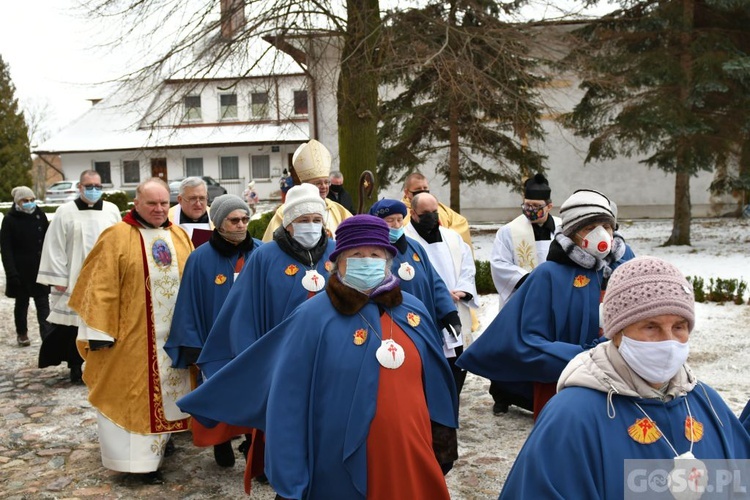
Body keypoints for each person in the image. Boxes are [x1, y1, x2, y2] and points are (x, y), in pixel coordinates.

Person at [178, 215, 459, 499]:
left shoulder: (414, 311)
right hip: (335, 462)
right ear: (337, 262)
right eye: (356, 254)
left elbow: (436, 382)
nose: (367, 260)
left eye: (375, 254)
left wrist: (443, 440)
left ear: (388, 260)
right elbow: (288, 398)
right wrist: (290, 472)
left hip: (408, 453)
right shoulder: (313, 316)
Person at [498, 256, 750, 498]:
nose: (668, 341)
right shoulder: (572, 416)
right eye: (651, 326)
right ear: (616, 334)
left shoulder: (706, 402)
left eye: (679, 327)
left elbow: (740, 483)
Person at [458, 189, 635, 420]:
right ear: (572, 233)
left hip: (621, 385)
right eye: (590, 228)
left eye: (607, 226)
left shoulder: (626, 266)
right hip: (564, 388)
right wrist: (587, 356)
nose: (601, 234)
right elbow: (527, 342)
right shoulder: (548, 275)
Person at [68, 178, 193, 483]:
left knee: (169, 395)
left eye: (164, 203)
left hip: (172, 340)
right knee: (131, 395)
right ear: (136, 203)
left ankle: (162, 447)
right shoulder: (116, 237)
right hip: (131, 340)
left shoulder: (178, 236)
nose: (159, 209)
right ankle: (135, 465)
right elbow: (100, 287)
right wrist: (98, 332)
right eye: (152, 203)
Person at [198, 183, 335, 378]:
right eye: (303, 220)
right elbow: (243, 312)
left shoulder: (336, 253)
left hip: (330, 354)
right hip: (280, 359)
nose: (311, 226)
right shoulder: (264, 256)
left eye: (316, 220)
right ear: (288, 224)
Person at [164, 195, 262, 468]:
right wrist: (193, 344)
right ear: (219, 224)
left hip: (253, 340)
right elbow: (188, 303)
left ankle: (254, 444)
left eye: (245, 219)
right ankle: (220, 441)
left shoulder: (261, 251)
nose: (241, 225)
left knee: (255, 393)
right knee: (219, 391)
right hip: (215, 340)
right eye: (234, 220)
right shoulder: (199, 259)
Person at [36, 170, 121, 383]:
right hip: (74, 278)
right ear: (80, 187)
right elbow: (54, 246)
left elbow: (122, 243)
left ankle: (103, 364)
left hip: (106, 278)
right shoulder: (65, 211)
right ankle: (75, 365)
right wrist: (58, 279)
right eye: (89, 186)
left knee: (103, 322)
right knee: (74, 326)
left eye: (98, 186)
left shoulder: (111, 210)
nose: (93, 190)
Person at [487, 173, 560, 414]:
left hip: (553, 300)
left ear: (549, 206)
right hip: (521, 298)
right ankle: (503, 395)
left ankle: (539, 398)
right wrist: (531, 281)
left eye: (536, 207)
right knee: (513, 348)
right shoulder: (508, 232)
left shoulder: (562, 229)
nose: (530, 210)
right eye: (527, 205)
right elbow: (499, 264)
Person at [369, 198, 462, 363]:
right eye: (389, 221)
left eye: (399, 219)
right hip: (393, 326)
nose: (396, 225)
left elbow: (435, 282)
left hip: (424, 323)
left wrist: (450, 314)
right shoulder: (373, 252)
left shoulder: (415, 247)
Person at [404, 192, 478, 395]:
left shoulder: (452, 237)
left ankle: (451, 406)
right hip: (426, 310)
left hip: (456, 307)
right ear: (413, 213)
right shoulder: (405, 240)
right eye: (425, 213)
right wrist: (442, 295)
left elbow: (467, 266)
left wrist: (463, 290)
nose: (431, 216)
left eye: (434, 212)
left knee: (456, 363)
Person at [262, 140, 352, 242]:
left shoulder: (337, 209)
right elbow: (273, 244)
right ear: (305, 185)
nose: (324, 186)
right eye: (318, 183)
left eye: (326, 182)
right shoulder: (287, 210)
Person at [1, 186, 50, 347]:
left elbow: (48, 239)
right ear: (18, 202)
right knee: (22, 304)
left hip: (39, 267)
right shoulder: (9, 220)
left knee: (43, 304)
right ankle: (22, 333)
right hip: (20, 270)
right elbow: (6, 249)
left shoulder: (39, 215)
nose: (29, 203)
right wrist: (11, 273)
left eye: (31, 200)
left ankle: (47, 335)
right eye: (25, 200)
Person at [402, 172, 472, 247]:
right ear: (407, 192)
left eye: (425, 188)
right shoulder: (400, 212)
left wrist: (446, 238)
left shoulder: (442, 208)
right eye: (418, 189)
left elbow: (461, 223)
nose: (422, 191)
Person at [167, 176, 213, 246]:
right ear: (180, 199)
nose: (198, 204)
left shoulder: (215, 218)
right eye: (193, 199)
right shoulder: (167, 219)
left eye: (202, 198)